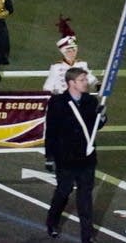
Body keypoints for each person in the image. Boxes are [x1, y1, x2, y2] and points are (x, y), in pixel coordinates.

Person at [45, 67, 106, 242]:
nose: (86, 83)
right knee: (63, 192)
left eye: (85, 79)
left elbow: (95, 127)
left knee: (85, 197)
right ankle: (52, 221)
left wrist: (102, 118)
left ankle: (87, 235)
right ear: (71, 83)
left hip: (86, 157)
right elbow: (52, 131)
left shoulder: (90, 101)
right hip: (66, 157)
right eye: (82, 80)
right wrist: (49, 157)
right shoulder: (57, 102)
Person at [43, 18, 98, 95]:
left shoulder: (82, 65)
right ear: (63, 52)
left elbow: (91, 80)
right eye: (69, 51)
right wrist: (55, 95)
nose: (72, 53)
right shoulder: (56, 67)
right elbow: (48, 87)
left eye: (74, 50)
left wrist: (99, 86)